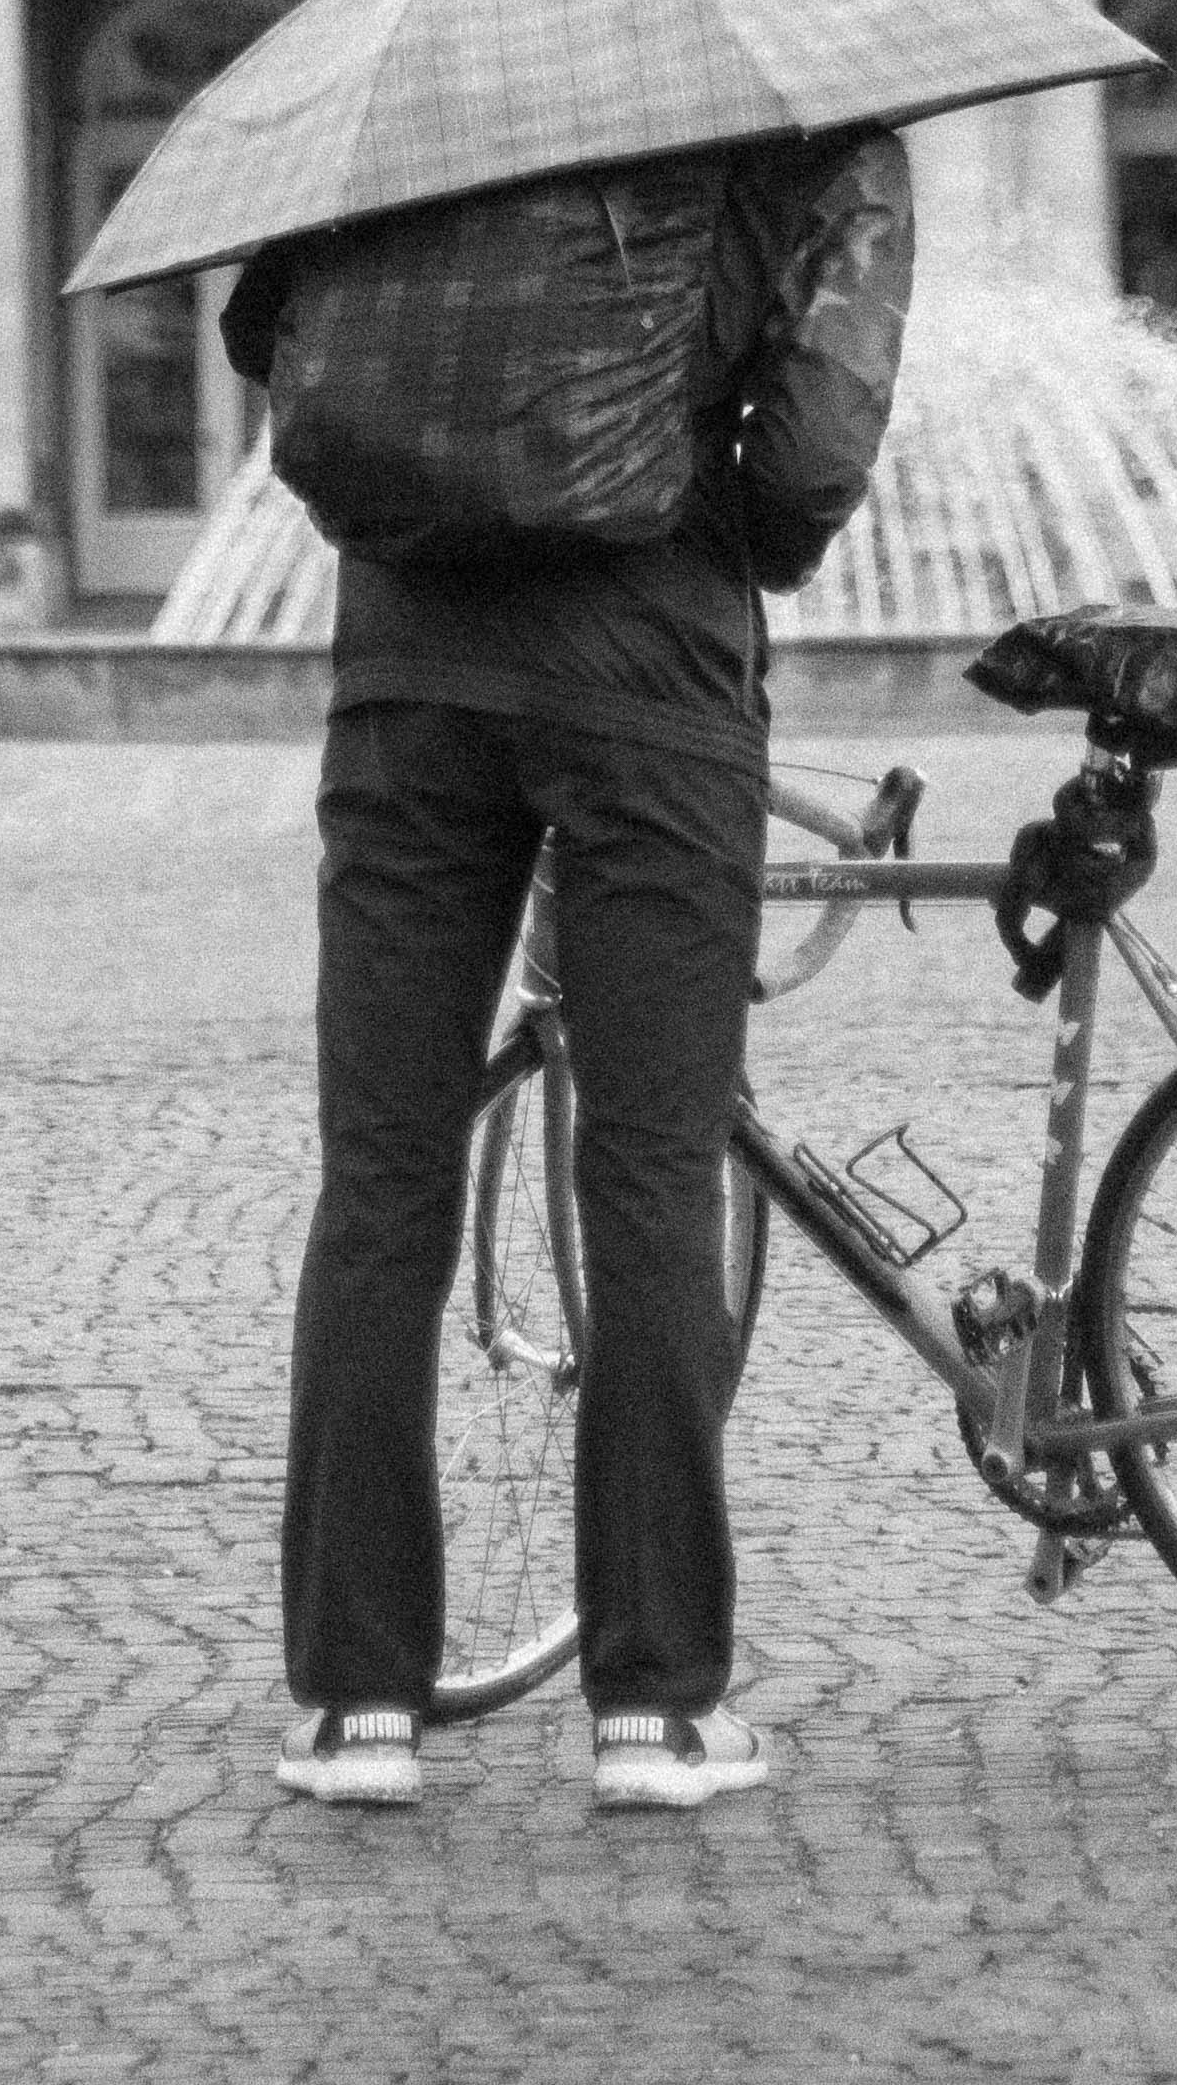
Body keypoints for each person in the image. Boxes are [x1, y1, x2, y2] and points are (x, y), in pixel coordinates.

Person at [230, 120, 914, 1818]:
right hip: (652, 692)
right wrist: (715, 531)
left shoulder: (403, 110)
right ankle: (657, 1712)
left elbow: (271, 340)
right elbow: (815, 449)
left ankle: (357, 1706)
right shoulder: (807, 127)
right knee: (654, 1173)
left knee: (382, 1178)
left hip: (408, 681)